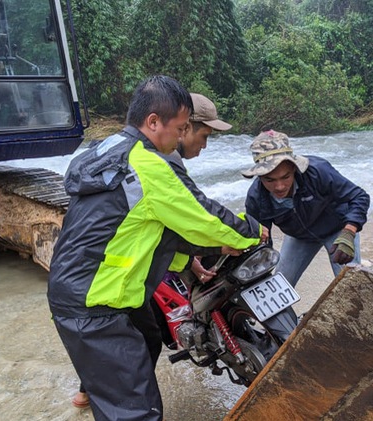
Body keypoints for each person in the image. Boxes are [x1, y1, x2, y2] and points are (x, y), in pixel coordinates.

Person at [48, 75, 265, 421]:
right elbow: (204, 216)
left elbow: (144, 227)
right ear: (153, 122)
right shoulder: (149, 166)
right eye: (180, 128)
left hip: (84, 288)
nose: (181, 137)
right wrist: (252, 232)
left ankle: (102, 387)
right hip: (94, 302)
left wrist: (186, 260)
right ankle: (116, 394)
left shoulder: (108, 147)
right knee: (138, 412)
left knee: (148, 338)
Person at [69, 92, 234, 408]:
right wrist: (239, 235)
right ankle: (115, 397)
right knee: (134, 336)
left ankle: (91, 391)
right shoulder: (161, 162)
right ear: (184, 128)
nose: (205, 145)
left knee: (142, 333)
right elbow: (195, 218)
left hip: (100, 264)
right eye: (204, 134)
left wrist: (190, 261)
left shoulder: (126, 149)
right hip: (112, 273)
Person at [243, 130, 370, 289]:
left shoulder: (317, 171)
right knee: (278, 288)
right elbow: (261, 240)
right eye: (270, 180)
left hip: (338, 229)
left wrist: (349, 231)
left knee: (349, 286)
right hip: (299, 236)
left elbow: (359, 197)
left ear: (294, 168)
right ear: (259, 176)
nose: (280, 186)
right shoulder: (256, 198)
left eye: (286, 177)